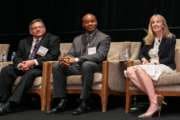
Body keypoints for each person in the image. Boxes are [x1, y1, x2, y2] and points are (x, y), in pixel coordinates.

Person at [48, 13, 111, 115]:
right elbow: (71, 53)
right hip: (78, 67)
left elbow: (100, 56)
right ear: (83, 24)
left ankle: (84, 102)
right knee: (57, 66)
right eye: (87, 22)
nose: (90, 23)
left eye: (92, 21)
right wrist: (67, 59)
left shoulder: (104, 37)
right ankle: (62, 100)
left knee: (87, 64)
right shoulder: (77, 39)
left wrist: (77, 59)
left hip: (95, 66)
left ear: (96, 22)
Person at [0, 18, 60, 115]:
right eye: (35, 28)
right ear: (31, 31)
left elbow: (53, 55)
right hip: (24, 66)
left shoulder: (52, 39)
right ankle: (2, 101)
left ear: (44, 28)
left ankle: (11, 103)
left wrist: (32, 62)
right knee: (6, 70)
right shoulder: (23, 41)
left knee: (30, 73)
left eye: (40, 27)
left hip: (40, 68)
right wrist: (20, 64)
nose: (38, 29)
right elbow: (17, 56)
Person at [125, 14, 176, 118]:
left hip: (164, 65)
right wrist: (143, 59)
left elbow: (170, 58)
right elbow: (141, 53)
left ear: (163, 24)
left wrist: (155, 62)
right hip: (151, 66)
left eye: (158, 21)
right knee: (130, 70)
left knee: (138, 70)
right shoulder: (148, 39)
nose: (155, 24)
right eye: (153, 22)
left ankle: (153, 104)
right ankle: (155, 98)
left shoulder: (171, 38)